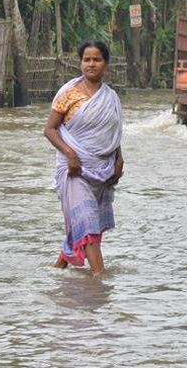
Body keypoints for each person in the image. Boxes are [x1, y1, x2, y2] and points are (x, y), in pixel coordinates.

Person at [43, 40, 124, 276]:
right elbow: (50, 130)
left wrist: (119, 159)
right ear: (80, 63)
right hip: (73, 170)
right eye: (87, 59)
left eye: (96, 59)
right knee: (87, 223)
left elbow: (113, 132)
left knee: (85, 223)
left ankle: (58, 271)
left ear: (105, 64)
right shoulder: (68, 94)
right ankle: (100, 279)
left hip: (102, 170)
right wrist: (70, 154)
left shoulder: (111, 97)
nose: (91, 64)